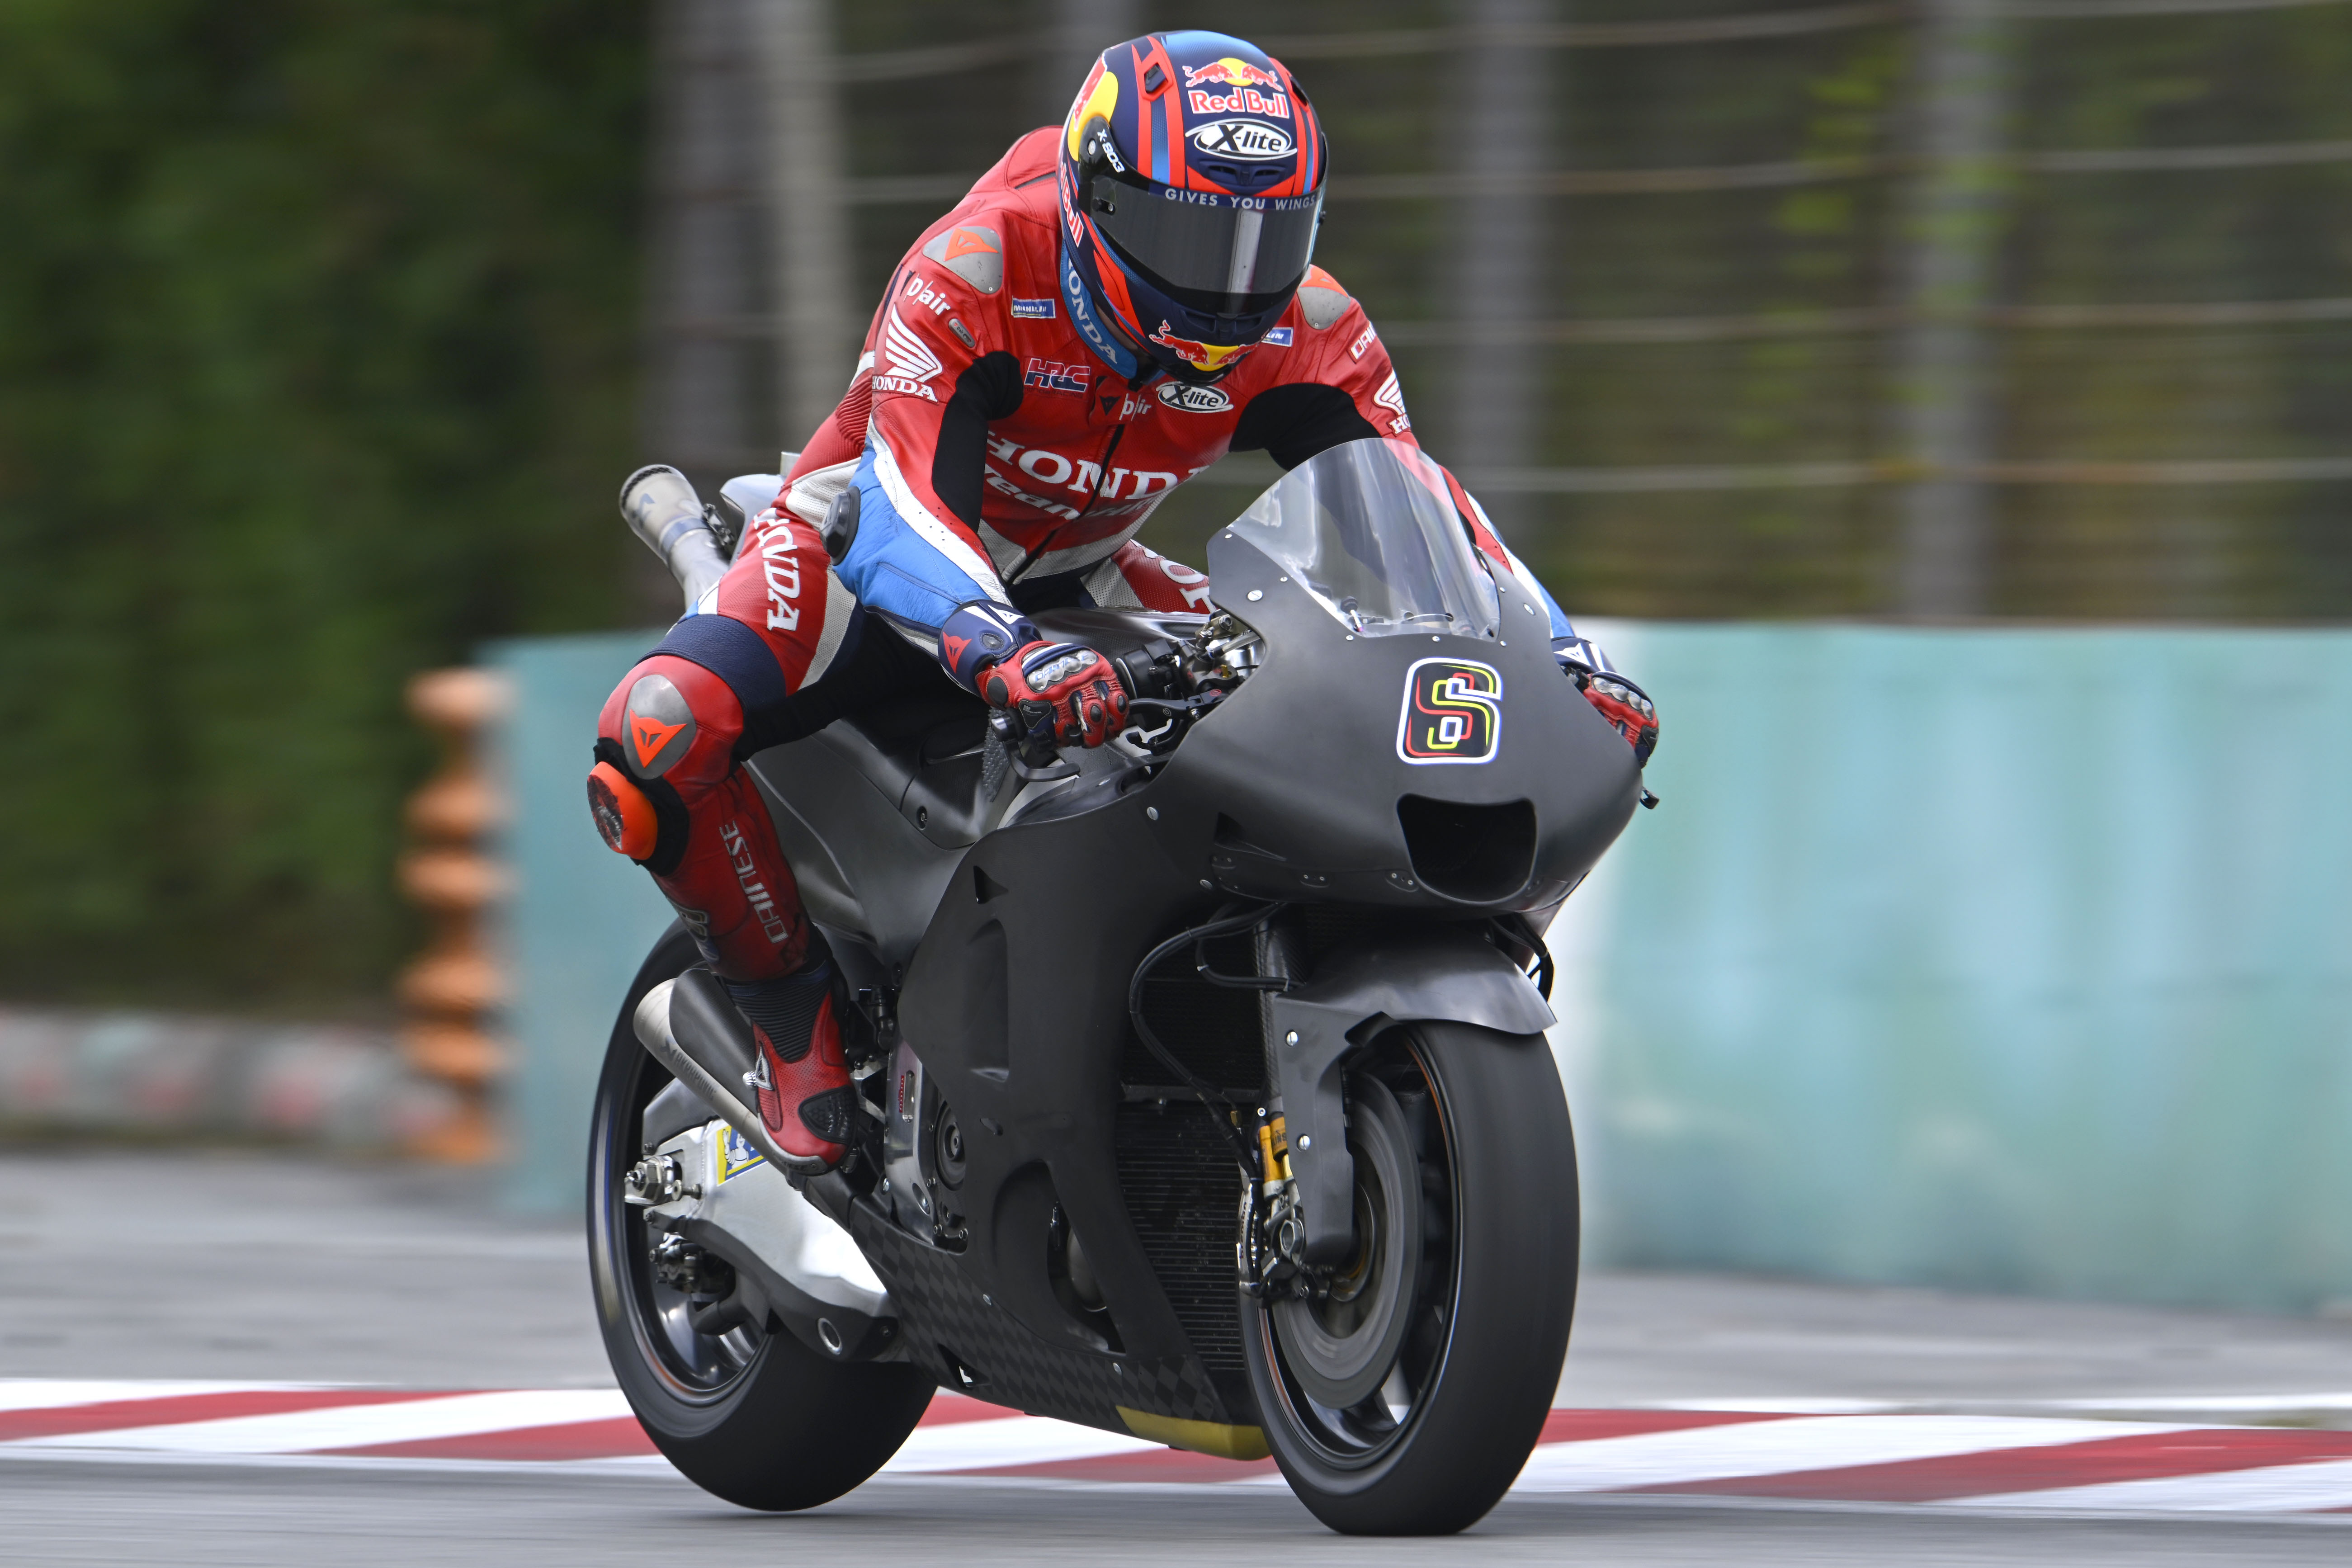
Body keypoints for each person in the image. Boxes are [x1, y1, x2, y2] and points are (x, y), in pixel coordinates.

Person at [586, 30, 1658, 1172]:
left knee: (1305, 711)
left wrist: (1560, 658)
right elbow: (899, 505)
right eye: (1194, 235)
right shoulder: (983, 266)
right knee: (654, 730)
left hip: (1090, 567)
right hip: (871, 551)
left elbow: (1423, 510)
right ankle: (793, 1036)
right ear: (1098, 200)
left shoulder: (1315, 325)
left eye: (1269, 239)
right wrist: (1003, 645)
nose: (1232, 284)